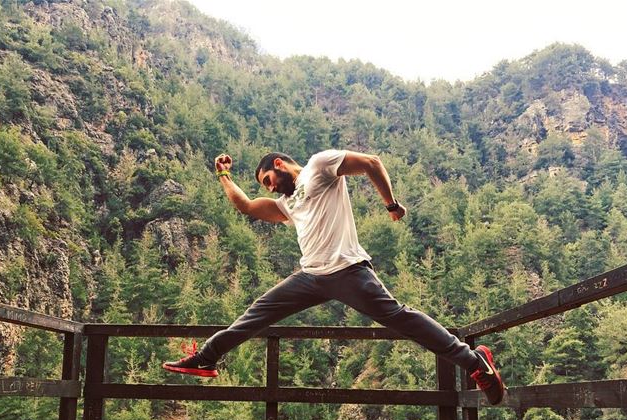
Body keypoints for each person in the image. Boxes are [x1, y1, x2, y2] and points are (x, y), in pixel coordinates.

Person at [163, 150, 505, 404]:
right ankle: (207, 357)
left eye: (267, 180)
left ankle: (476, 363)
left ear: (278, 165)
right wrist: (223, 175)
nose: (268, 188)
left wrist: (391, 204)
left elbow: (371, 163)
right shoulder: (286, 204)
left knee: (402, 319)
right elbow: (247, 206)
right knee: (258, 312)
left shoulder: (319, 166)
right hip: (311, 276)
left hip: (349, 271)